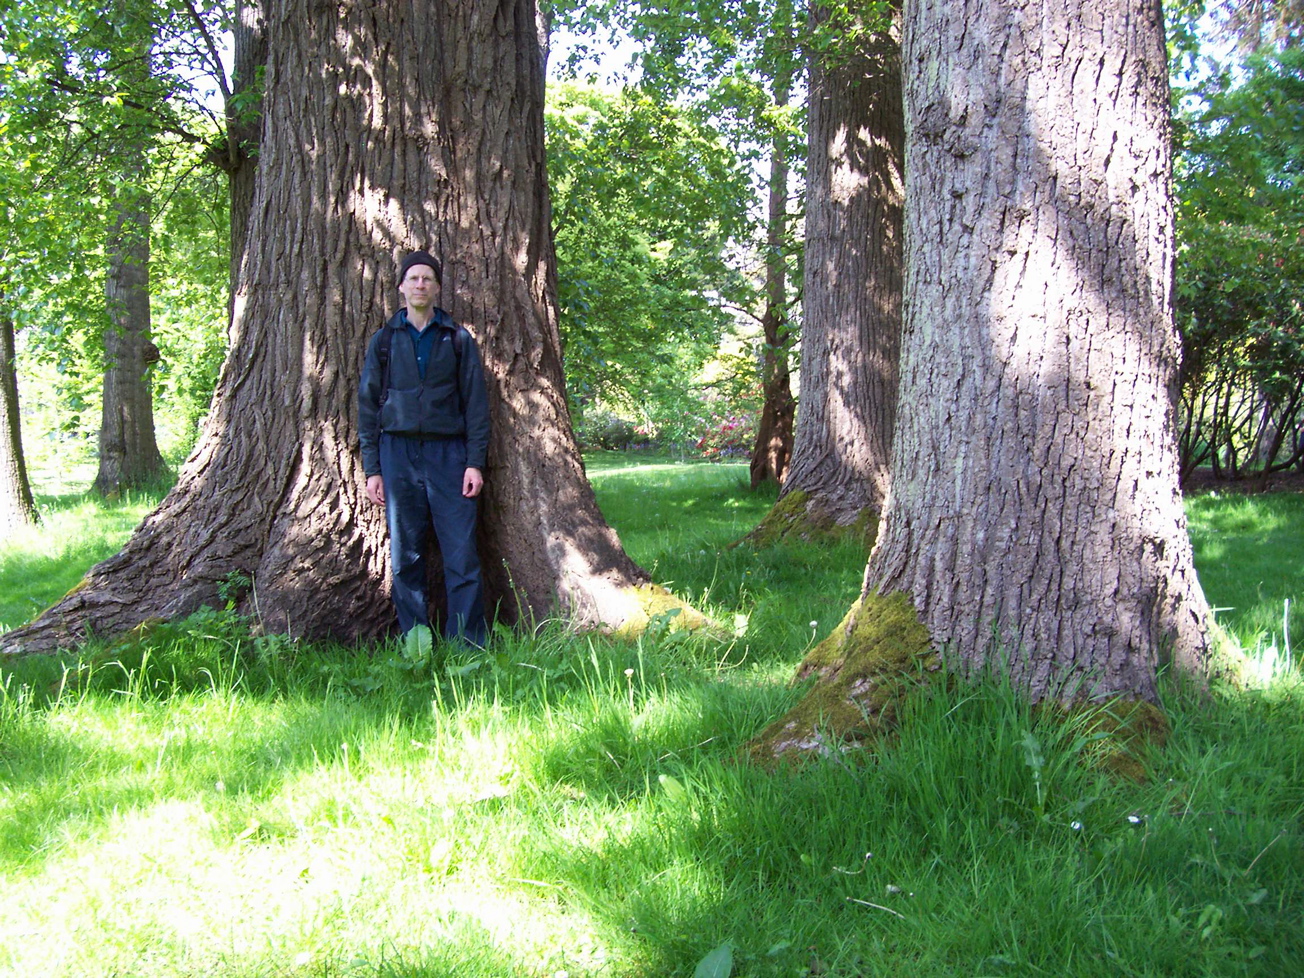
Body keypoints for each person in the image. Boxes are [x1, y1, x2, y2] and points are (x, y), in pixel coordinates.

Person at [358, 250, 491, 647]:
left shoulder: (456, 339)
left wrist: (474, 463)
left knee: (461, 556)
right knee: (406, 558)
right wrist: (372, 469)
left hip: (450, 457)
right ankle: (416, 644)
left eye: (427, 279)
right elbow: (367, 407)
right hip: (396, 455)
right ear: (401, 286)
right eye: (413, 278)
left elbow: (476, 405)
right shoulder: (384, 341)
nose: (420, 284)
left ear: (437, 287)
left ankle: (467, 645)